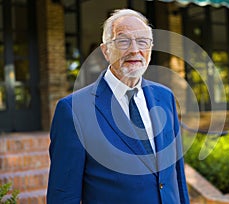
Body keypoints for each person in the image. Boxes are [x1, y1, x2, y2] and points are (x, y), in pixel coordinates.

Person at [47, 9, 190, 204]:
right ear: (106, 51)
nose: (134, 50)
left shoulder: (165, 97)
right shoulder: (73, 110)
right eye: (123, 41)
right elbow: (63, 196)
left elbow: (177, 174)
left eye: (142, 42)